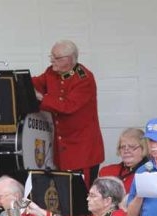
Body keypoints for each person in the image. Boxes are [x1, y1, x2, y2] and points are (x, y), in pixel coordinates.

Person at [32, 39, 104, 188]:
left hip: (82, 151)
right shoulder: (51, 72)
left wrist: (41, 97)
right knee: (65, 197)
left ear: (70, 59)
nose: (52, 60)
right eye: (51, 56)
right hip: (61, 150)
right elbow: (36, 82)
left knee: (83, 197)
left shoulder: (84, 79)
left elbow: (67, 106)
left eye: (56, 57)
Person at [99, 128, 149, 194]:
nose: (126, 150)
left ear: (144, 148)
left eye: (132, 146)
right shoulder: (106, 172)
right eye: (123, 147)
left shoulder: (151, 173)